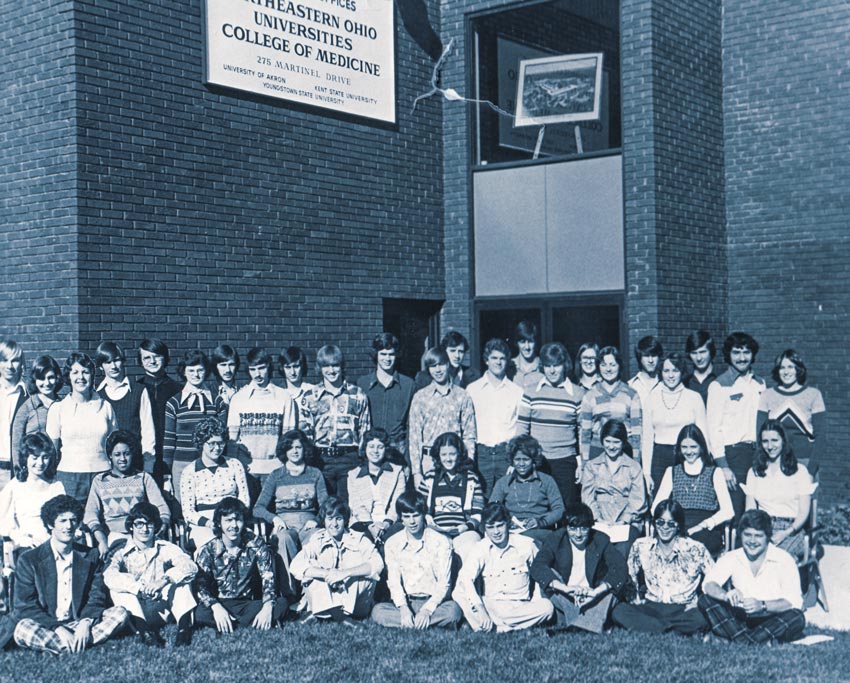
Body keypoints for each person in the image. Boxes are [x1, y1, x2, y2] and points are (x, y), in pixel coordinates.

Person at [11, 495, 129, 654]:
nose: (69, 526)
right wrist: (57, 628)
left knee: (120, 613)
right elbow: (25, 606)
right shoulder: (29, 559)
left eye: (73, 520)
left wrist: (85, 623)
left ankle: (67, 646)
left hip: (79, 621)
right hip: (47, 624)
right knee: (22, 629)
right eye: (62, 520)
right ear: (50, 524)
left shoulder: (91, 556)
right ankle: (80, 645)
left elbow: (97, 596)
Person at [699, 510, 805, 644]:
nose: (752, 541)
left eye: (758, 536)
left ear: (767, 537)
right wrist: (725, 595)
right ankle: (759, 640)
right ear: (741, 535)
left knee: (796, 617)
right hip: (740, 617)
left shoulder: (784, 559)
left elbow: (793, 601)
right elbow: (708, 584)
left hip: (771, 617)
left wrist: (763, 606)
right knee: (705, 600)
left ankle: (733, 638)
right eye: (747, 535)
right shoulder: (732, 557)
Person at [611, 500, 711, 635]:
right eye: (660, 522)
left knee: (702, 618)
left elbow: (714, 579)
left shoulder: (696, 548)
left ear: (678, 526)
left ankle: (654, 628)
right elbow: (630, 574)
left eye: (671, 524)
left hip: (683, 609)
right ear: (654, 523)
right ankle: (671, 630)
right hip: (651, 606)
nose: (665, 527)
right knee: (619, 610)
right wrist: (635, 598)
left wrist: (699, 603)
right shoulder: (641, 545)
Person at [103, 502, 196, 647]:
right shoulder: (120, 550)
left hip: (163, 607)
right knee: (117, 588)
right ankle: (145, 633)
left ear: (156, 526)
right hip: (137, 611)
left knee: (182, 581)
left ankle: (184, 629)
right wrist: (138, 587)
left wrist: (164, 580)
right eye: (139, 524)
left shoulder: (165, 547)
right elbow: (109, 575)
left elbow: (189, 565)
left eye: (149, 524)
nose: (144, 529)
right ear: (131, 526)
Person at [453, 502, 554, 632]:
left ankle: (496, 628)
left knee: (547, 607)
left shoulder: (526, 545)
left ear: (508, 524)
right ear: (484, 528)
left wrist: (536, 600)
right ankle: (516, 626)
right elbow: (466, 578)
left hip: (520, 606)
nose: (496, 532)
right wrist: (481, 609)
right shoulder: (480, 548)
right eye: (490, 527)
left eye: (500, 526)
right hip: (491, 605)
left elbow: (540, 574)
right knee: (459, 591)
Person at [531, 503, 627, 634]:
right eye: (573, 528)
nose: (578, 534)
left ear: (590, 527)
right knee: (549, 576)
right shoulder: (555, 539)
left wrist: (596, 593)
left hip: (594, 594)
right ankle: (591, 623)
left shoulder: (600, 539)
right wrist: (566, 589)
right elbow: (537, 566)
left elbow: (620, 567)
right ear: (566, 527)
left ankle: (575, 627)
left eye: (583, 529)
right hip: (566, 594)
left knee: (612, 589)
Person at [371, 491, 463, 630]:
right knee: (378, 612)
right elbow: (394, 581)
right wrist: (403, 608)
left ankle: (411, 624)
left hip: (434, 602)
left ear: (424, 515)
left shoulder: (441, 541)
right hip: (406, 601)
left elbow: (444, 583)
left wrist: (427, 610)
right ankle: (421, 623)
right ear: (401, 518)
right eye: (407, 517)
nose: (412, 522)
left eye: (416, 516)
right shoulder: (392, 543)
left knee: (453, 611)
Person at [195, 497, 289, 633]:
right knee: (199, 612)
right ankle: (243, 621)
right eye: (228, 520)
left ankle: (231, 623)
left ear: (244, 521)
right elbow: (200, 586)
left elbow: (268, 577)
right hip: (220, 602)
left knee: (281, 604)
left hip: (247, 603)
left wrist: (267, 606)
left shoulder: (256, 544)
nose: (233, 525)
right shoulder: (208, 550)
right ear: (219, 523)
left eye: (238, 520)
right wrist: (216, 607)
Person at [253, 429, 328, 589]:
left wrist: (316, 520)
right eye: (290, 447)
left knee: (317, 537)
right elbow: (258, 508)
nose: (294, 451)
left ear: (304, 449)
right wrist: (274, 519)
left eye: (298, 447)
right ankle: (290, 592)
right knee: (283, 539)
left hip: (309, 525)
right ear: (284, 450)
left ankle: (312, 591)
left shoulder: (315, 474)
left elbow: (326, 506)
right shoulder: (276, 475)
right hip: (285, 525)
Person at [290, 497, 384, 624]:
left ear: (345, 520)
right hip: (328, 592)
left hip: (354, 603)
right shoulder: (317, 539)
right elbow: (296, 565)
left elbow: (378, 564)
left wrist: (345, 573)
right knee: (311, 567)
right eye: (330, 519)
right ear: (324, 520)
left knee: (361, 570)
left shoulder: (359, 539)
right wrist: (326, 573)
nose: (334, 524)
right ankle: (341, 618)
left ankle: (321, 614)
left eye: (338, 519)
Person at [516, 342, 585, 505]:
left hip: (565, 461)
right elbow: (522, 430)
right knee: (539, 506)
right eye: (548, 366)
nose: (552, 370)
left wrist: (581, 463)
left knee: (565, 507)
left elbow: (583, 433)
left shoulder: (577, 393)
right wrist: (520, 458)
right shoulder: (531, 392)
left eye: (556, 365)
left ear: (564, 365)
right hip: (538, 460)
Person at [46, 352, 118, 506]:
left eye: (85, 372)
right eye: (75, 372)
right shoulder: (58, 409)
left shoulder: (106, 407)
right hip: (69, 477)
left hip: (103, 474)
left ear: (92, 375)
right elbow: (52, 450)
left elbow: (115, 445)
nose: (81, 377)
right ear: (68, 376)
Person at [707, 332, 766, 519]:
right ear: (728, 355)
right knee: (736, 510)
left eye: (746, 352)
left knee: (757, 507)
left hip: (758, 453)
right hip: (733, 456)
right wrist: (723, 466)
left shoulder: (760, 384)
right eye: (737, 352)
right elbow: (713, 429)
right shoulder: (719, 386)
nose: (742, 358)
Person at [84, 430, 171, 556]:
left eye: (126, 454)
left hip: (142, 532)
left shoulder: (143, 478)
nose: (122, 459)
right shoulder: (100, 481)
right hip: (114, 536)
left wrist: (161, 527)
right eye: (117, 454)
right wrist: (101, 539)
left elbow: (161, 507)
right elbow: (90, 514)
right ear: (110, 456)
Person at [299, 345, 371, 495]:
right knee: (326, 508)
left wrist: (363, 460)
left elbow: (365, 429)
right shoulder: (309, 397)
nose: (331, 371)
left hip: (350, 459)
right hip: (321, 459)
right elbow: (306, 433)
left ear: (342, 366)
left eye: (335, 365)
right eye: (326, 366)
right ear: (320, 368)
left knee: (349, 506)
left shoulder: (357, 395)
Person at [651, 425, 733, 556]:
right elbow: (655, 507)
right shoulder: (671, 471)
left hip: (705, 529)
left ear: (701, 447)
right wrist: (671, 523)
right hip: (677, 526)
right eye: (684, 447)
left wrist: (704, 525)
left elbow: (728, 511)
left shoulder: (714, 472)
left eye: (693, 447)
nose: (689, 452)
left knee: (694, 546)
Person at [740, 420, 817, 560]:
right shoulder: (754, 472)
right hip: (761, 527)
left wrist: (786, 532)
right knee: (747, 558)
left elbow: (803, 513)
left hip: (792, 529)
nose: (770, 446)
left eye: (774, 440)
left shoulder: (800, 472)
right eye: (765, 441)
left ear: (783, 441)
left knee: (778, 559)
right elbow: (750, 511)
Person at [407, 347, 476, 488]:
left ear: (448, 365)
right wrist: (417, 472)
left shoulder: (462, 395)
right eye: (433, 366)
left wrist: (468, 465)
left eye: (441, 365)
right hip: (429, 461)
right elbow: (414, 437)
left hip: (456, 460)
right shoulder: (420, 397)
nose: (437, 370)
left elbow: (469, 434)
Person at [227, 347, 297, 484]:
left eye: (261, 368)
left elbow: (289, 437)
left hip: (275, 469)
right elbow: (232, 440)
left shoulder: (284, 397)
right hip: (246, 470)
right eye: (253, 369)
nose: (257, 374)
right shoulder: (238, 398)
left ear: (268, 367)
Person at [180, 417, 251, 550]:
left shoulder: (234, 465)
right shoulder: (189, 471)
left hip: (233, 519)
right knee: (212, 546)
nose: (217, 448)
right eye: (211, 443)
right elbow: (188, 511)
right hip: (205, 524)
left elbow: (244, 499)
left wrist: (232, 519)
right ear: (201, 443)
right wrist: (209, 523)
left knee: (252, 545)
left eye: (220, 443)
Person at [641, 352, 707, 494]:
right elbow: (646, 439)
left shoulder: (694, 398)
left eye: (675, 371)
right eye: (666, 371)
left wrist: (702, 465)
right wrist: (646, 473)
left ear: (682, 372)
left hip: (687, 455)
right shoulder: (651, 399)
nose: (671, 375)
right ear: (661, 372)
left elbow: (703, 437)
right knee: (661, 503)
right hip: (659, 458)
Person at [164, 350, 228, 496]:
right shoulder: (174, 403)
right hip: (181, 464)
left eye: (200, 370)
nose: (196, 374)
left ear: (206, 371)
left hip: (211, 464)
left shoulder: (217, 401)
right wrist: (167, 475)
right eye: (191, 370)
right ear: (184, 372)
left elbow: (223, 438)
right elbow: (169, 441)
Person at [581, 420, 647, 557]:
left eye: (616, 442)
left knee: (622, 550)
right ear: (602, 441)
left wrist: (623, 521)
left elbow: (638, 500)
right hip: (600, 520)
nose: (611, 446)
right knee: (596, 548)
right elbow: (587, 497)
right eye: (608, 441)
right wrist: (598, 519)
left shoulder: (634, 467)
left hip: (626, 522)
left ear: (623, 442)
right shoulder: (592, 466)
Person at [466, 338, 524, 494]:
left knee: (508, 498)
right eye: (494, 358)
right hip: (481, 455)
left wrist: (514, 459)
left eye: (502, 358)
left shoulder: (517, 392)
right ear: (486, 360)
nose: (498, 362)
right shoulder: (472, 390)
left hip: (505, 455)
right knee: (480, 499)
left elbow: (520, 428)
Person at [417, 431, 485, 560]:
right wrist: (428, 520)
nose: (448, 459)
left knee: (469, 547)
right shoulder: (430, 477)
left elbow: (478, 513)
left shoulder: (471, 478)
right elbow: (419, 507)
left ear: (459, 455)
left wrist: (464, 527)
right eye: (444, 454)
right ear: (438, 456)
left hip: (463, 531)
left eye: (452, 454)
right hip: (435, 530)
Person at [757, 349, 826, 474]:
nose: (786, 372)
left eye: (790, 367)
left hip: (805, 461)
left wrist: (811, 469)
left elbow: (820, 436)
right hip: (776, 462)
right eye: (782, 367)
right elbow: (760, 432)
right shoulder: (767, 395)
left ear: (798, 370)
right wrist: (764, 463)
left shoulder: (814, 395)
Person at [94, 342, 156, 477]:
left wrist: (148, 463)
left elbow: (148, 430)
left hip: (135, 463)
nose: (113, 366)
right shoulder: (96, 395)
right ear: (101, 366)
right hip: (104, 465)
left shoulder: (139, 390)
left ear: (123, 361)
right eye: (108, 362)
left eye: (116, 360)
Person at [489, 435, 565, 545]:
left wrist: (540, 522)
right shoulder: (503, 482)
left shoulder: (546, 480)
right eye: (517, 459)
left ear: (533, 460)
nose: (521, 464)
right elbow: (492, 509)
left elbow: (559, 509)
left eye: (526, 459)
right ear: (512, 460)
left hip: (540, 531)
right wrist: (507, 522)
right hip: (511, 532)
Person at [356, 332, 415, 466]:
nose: (387, 358)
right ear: (376, 355)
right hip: (371, 451)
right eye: (383, 354)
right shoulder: (362, 384)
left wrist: (408, 461)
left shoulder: (408, 385)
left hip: (398, 450)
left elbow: (411, 425)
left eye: (391, 354)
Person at [0, 433, 65, 554]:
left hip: (54, 544)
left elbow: (64, 518)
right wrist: (21, 539)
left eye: (45, 457)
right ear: (25, 458)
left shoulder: (56, 486)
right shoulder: (15, 486)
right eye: (35, 458)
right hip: (26, 545)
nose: (40, 463)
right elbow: (3, 522)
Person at [579, 346, 642, 463]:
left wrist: (636, 462)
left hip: (623, 453)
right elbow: (585, 434)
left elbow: (636, 434)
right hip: (597, 452)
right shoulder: (590, 396)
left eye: (612, 365)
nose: (608, 369)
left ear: (619, 366)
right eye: (603, 365)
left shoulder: (631, 395)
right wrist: (584, 463)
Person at [343, 428, 407, 543]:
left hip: (390, 523)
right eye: (371, 446)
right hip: (363, 523)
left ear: (386, 449)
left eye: (380, 447)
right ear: (365, 448)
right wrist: (371, 526)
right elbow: (357, 506)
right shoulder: (353, 475)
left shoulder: (397, 472)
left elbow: (396, 505)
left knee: (395, 538)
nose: (375, 451)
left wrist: (386, 524)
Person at [136, 338, 182, 486]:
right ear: (141, 361)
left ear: (165, 358)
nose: (152, 361)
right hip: (143, 457)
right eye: (147, 357)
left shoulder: (178, 390)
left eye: (156, 356)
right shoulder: (135, 389)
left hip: (172, 457)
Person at [11, 355, 62, 465]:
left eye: (51, 377)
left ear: (57, 378)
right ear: (35, 380)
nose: (47, 383)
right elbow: (16, 447)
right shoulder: (26, 408)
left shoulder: (64, 406)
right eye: (42, 378)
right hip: (35, 470)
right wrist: (20, 473)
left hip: (60, 470)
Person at [0, 340, 28, 488]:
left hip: (17, 468)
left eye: (15, 361)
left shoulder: (28, 394)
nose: (10, 366)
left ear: (21, 363)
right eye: (4, 360)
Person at [414, 330, 480, 391]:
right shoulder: (424, 377)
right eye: (452, 351)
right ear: (444, 351)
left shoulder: (474, 376)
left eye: (461, 351)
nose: (457, 355)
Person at [628, 336, 662, 410]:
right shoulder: (631, 386)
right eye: (646, 356)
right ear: (639, 358)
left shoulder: (666, 383)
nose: (650, 360)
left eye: (654, 355)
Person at [508, 320, 544, 392]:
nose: (527, 347)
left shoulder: (543, 366)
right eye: (522, 342)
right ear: (516, 343)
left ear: (536, 342)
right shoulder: (508, 366)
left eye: (530, 342)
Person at [684, 330, 717, 405]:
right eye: (694, 353)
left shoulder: (722, 377)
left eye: (702, 352)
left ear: (711, 351)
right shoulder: (685, 382)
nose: (698, 358)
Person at [278, 345, 315, 410]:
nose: (292, 372)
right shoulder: (277, 393)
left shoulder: (312, 391)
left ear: (302, 367)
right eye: (288, 367)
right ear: (282, 368)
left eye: (296, 367)